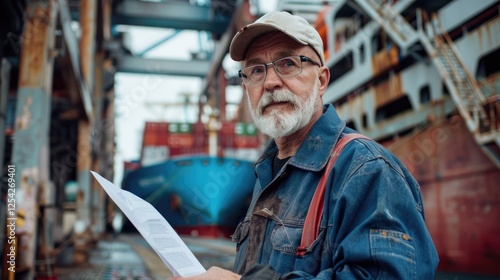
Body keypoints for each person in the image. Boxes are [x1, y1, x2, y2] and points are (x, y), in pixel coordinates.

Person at [172, 11, 439, 280]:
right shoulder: (266, 173)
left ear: (321, 81)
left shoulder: (367, 170)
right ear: (245, 88)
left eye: (288, 63)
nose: (270, 82)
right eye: (255, 70)